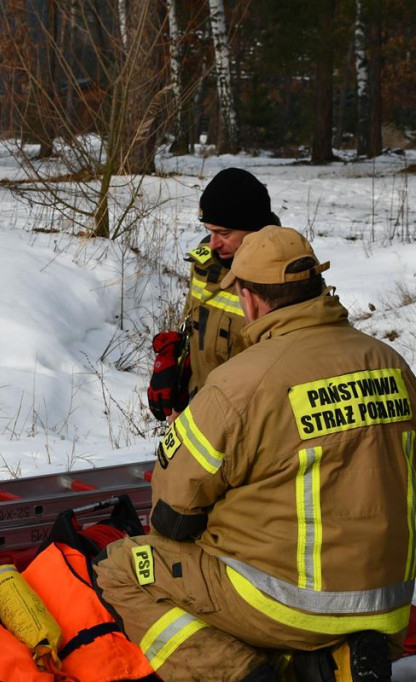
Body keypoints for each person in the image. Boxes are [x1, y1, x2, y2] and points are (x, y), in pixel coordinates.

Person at [98, 226, 415, 681]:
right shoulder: (391, 363)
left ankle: (239, 671)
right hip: (387, 601)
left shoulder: (238, 384)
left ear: (249, 300)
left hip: (286, 605)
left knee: (124, 567)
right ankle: (334, 659)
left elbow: (172, 510)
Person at [148, 168, 280, 421]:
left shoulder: (285, 276)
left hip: (249, 422)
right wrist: (177, 364)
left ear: (255, 229)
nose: (213, 244)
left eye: (224, 233)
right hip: (201, 410)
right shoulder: (207, 261)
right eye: (210, 231)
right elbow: (194, 326)